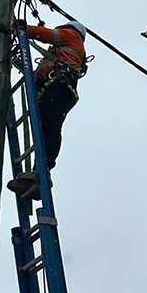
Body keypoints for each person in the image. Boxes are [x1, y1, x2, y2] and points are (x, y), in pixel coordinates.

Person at [7, 20, 87, 198]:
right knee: (43, 130)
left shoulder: (72, 36)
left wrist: (22, 29)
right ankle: (37, 176)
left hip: (58, 88)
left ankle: (43, 172)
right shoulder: (58, 54)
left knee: (49, 127)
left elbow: (48, 36)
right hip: (53, 89)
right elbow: (37, 73)